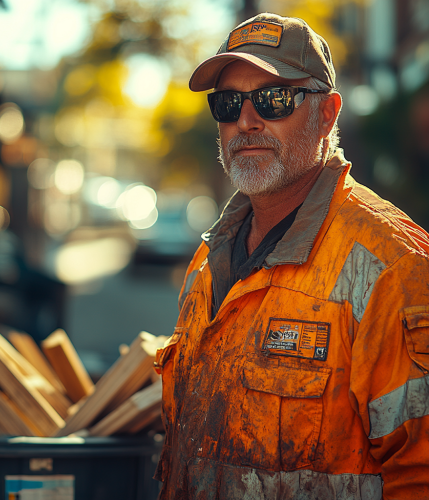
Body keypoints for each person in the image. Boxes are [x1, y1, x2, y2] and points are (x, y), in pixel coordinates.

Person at [153, 12, 429, 500]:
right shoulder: (206, 263)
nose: (246, 120)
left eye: (273, 99)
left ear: (327, 114)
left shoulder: (392, 268)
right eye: (228, 102)